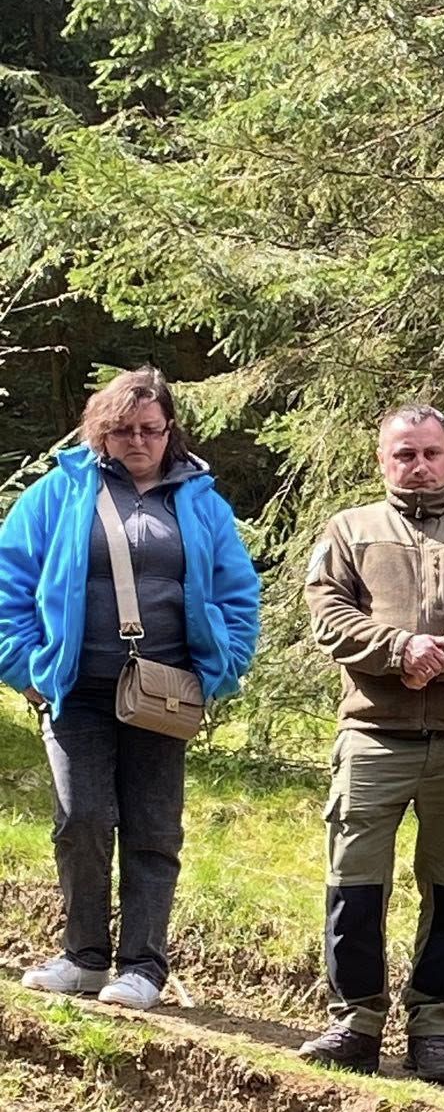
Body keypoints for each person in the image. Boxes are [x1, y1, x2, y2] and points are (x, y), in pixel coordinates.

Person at [0, 367, 260, 1008]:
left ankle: (142, 967)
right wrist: (27, 670)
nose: (137, 441)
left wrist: (220, 668)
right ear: (100, 431)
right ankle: (83, 957)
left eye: (150, 429)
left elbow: (238, 594)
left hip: (165, 693)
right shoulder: (58, 494)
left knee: (152, 829)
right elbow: (9, 584)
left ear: (170, 430)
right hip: (75, 689)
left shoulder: (202, 503)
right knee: (82, 818)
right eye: (122, 431)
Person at [299, 405, 444, 1084]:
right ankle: (356, 1021)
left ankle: (433, 1027)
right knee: (354, 879)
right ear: (383, 460)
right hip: (374, 732)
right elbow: (327, 612)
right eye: (405, 454)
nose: (420, 466)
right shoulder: (350, 530)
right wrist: (398, 648)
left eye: (431, 453)